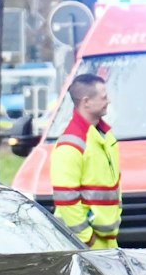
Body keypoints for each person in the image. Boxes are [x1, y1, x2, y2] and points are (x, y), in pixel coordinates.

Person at [51, 74, 120, 248]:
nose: (109, 101)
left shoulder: (104, 136)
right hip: (85, 245)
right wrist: (87, 239)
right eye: (103, 97)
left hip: (105, 240)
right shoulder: (72, 144)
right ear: (86, 102)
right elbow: (66, 200)